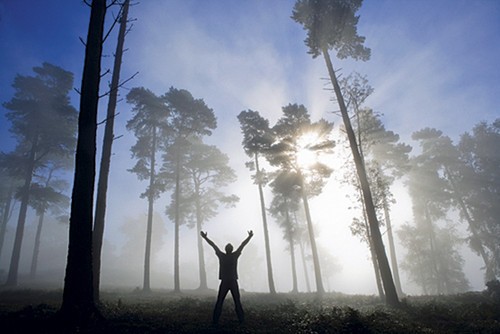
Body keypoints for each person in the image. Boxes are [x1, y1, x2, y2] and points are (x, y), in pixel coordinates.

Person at [200, 230, 254, 325]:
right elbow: (242, 245)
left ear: (225, 249)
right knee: (237, 301)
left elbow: (213, 245)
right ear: (232, 249)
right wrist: (249, 237)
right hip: (233, 281)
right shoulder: (235, 255)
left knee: (220, 301)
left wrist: (205, 237)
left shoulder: (222, 256)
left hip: (225, 281)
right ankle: (241, 320)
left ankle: (215, 320)